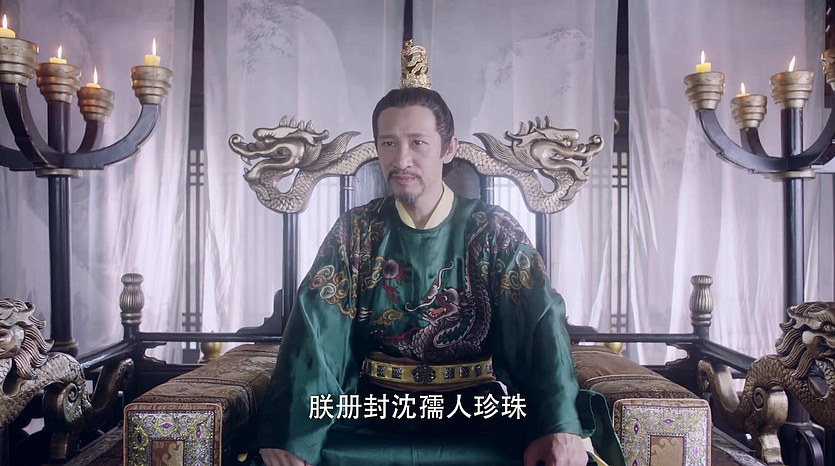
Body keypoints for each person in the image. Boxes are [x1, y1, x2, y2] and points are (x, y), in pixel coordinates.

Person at [255, 87, 622, 466]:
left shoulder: (493, 230)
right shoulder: (357, 230)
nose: (402, 159)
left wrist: (558, 424)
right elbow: (317, 330)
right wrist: (292, 434)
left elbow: (540, 326)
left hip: (479, 412)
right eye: (388, 143)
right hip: (375, 413)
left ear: (448, 149)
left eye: (418, 143)